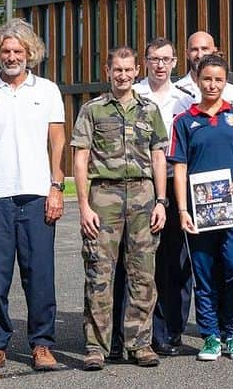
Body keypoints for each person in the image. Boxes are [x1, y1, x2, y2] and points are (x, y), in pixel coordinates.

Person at [0, 19, 66, 374]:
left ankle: (42, 345)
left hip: (38, 195)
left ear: (30, 54)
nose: (11, 56)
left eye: (18, 51)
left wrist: (56, 187)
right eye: (6, 51)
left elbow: (57, 141)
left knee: (39, 274)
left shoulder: (48, 91)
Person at [72, 46, 170, 371]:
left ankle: (139, 344)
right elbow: (80, 158)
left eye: (129, 70)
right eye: (118, 70)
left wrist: (161, 201)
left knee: (143, 271)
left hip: (143, 195)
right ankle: (96, 347)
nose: (123, 75)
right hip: (105, 195)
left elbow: (159, 156)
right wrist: (83, 205)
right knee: (99, 272)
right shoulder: (92, 110)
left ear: (137, 70)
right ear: (108, 71)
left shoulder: (150, 110)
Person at [171, 54, 233, 362]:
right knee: (205, 273)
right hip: (201, 209)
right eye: (207, 79)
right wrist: (183, 210)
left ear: (226, 82)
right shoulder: (184, 121)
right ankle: (210, 335)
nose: (212, 84)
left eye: (219, 79)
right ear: (197, 80)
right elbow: (180, 168)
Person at [122, 37, 193, 359]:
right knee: (141, 261)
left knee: (175, 262)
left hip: (176, 181)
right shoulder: (133, 95)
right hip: (142, 184)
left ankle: (171, 330)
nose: (160, 64)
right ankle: (142, 331)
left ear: (175, 62)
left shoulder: (184, 99)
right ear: (145, 62)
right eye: (154, 59)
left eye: (166, 59)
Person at [170, 30, 233, 115]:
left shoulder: (232, 92)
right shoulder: (175, 91)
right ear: (187, 53)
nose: (200, 55)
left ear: (214, 50)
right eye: (194, 50)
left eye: (204, 49)